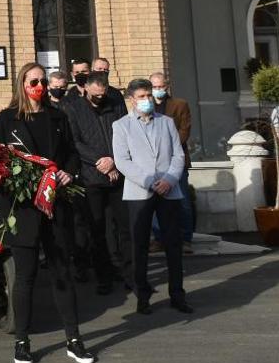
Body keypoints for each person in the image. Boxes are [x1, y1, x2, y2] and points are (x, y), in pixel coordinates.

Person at [0, 63, 95, 363]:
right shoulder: (5, 120)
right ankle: (21, 342)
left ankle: (74, 340)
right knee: (25, 277)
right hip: (22, 210)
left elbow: (73, 154)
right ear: (22, 85)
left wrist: (69, 173)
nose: (39, 86)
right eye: (33, 81)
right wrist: (18, 180)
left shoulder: (58, 117)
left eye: (42, 81)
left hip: (56, 207)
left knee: (62, 273)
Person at [111, 79, 192, 315]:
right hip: (140, 191)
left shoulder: (166, 122)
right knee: (140, 245)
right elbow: (123, 160)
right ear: (131, 99)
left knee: (173, 244)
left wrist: (169, 179)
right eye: (141, 96)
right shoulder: (121, 126)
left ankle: (178, 295)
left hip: (169, 190)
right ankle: (142, 295)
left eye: (149, 95)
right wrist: (148, 181)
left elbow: (178, 154)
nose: (146, 100)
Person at [64, 70, 129, 294]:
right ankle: (104, 276)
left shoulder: (116, 104)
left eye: (103, 94)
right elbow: (75, 141)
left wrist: (114, 162)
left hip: (117, 174)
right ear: (86, 90)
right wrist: (100, 162)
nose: (100, 99)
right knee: (97, 229)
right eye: (95, 95)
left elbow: (124, 134)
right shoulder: (73, 108)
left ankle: (128, 273)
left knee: (123, 228)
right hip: (92, 177)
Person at [151, 72, 195, 245]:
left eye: (160, 86)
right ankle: (159, 238)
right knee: (155, 201)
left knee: (182, 200)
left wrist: (169, 148)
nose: (158, 90)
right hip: (154, 162)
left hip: (176, 160)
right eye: (154, 87)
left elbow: (185, 130)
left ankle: (185, 238)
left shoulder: (179, 105)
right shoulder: (147, 106)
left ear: (167, 86)